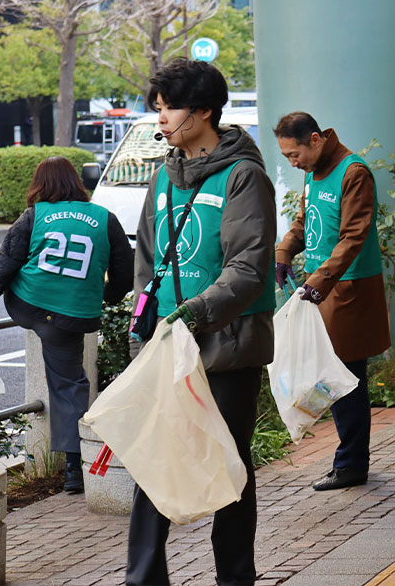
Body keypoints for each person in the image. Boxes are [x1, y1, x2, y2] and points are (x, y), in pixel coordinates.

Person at [126, 58, 276, 586]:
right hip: (170, 345)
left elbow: (248, 266)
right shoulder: (163, 177)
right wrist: (147, 318)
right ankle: (142, 578)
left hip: (228, 346)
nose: (162, 118)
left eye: (171, 108)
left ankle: (235, 577)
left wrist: (194, 313)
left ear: (206, 110)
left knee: (228, 465)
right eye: (158, 109)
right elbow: (146, 260)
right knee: (154, 459)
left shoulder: (244, 176)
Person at [0, 157, 133, 494]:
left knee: (5, 273)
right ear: (76, 184)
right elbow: (124, 273)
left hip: (32, 306)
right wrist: (107, 296)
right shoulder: (104, 219)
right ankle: (74, 473)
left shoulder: (35, 217)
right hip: (73, 316)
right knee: (70, 387)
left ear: (40, 184)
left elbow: (3, 268)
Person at [274, 112, 390, 491]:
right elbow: (305, 220)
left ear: (315, 139)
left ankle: (352, 464)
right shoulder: (313, 171)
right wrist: (284, 252)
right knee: (333, 376)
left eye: (295, 154)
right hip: (322, 288)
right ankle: (348, 461)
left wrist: (319, 280)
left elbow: (354, 236)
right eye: (287, 157)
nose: (293, 163)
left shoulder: (354, 172)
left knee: (347, 380)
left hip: (349, 291)